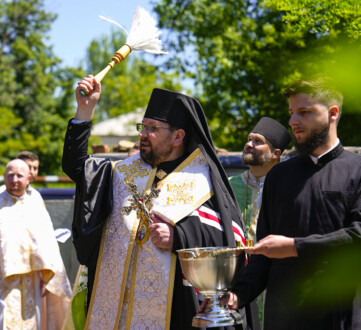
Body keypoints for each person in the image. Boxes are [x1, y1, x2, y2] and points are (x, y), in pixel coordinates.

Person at [62, 75, 249, 329]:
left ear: (177, 136)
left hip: (173, 310)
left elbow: (232, 239)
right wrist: (85, 110)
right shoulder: (123, 171)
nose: (144, 135)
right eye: (143, 127)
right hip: (114, 309)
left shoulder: (202, 180)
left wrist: (179, 238)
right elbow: (76, 168)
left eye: (153, 128)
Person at [221, 77, 361, 329]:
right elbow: (263, 257)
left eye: (304, 112)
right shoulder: (279, 175)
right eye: (291, 113)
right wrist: (237, 295)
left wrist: (293, 246)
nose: (292, 121)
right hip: (286, 316)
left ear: (333, 113)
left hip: (343, 314)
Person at [0, 159, 71, 330]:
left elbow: (47, 242)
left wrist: (49, 274)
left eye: (19, 175)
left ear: (29, 178)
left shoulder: (35, 204)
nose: (14, 180)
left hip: (31, 281)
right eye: (10, 175)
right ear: (4, 177)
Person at [229, 117, 291, 243]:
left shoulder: (288, 188)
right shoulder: (228, 185)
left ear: (276, 154)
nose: (248, 144)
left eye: (257, 141)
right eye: (249, 139)